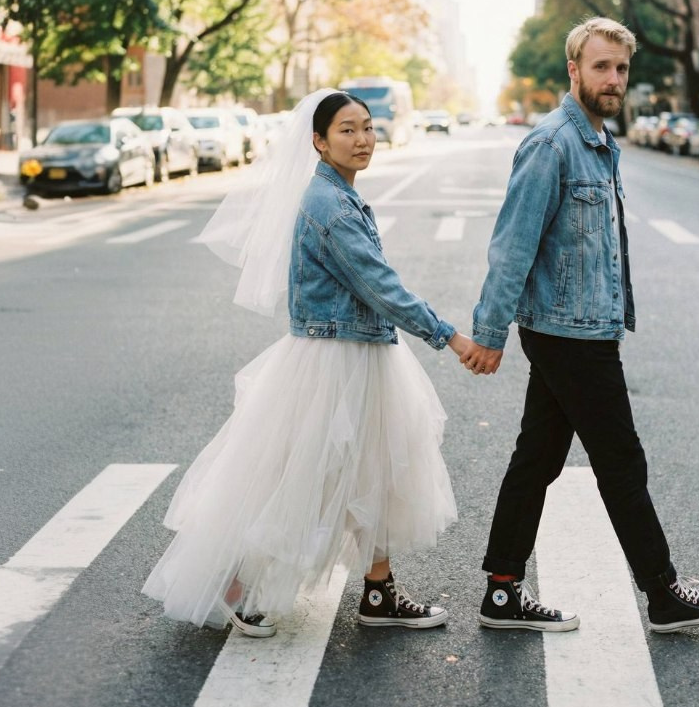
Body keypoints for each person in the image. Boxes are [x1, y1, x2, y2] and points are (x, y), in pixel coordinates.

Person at [143, 89, 473, 638]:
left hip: (357, 352)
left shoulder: (337, 194)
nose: (363, 138)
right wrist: (449, 337)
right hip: (332, 360)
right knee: (304, 478)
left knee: (373, 473)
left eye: (367, 127)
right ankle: (236, 584)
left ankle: (378, 590)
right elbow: (378, 285)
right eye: (347, 130)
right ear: (318, 142)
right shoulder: (328, 205)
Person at [461, 16, 699, 635]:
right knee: (621, 462)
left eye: (620, 68)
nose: (613, 79)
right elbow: (512, 246)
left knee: (536, 459)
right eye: (601, 67)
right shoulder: (552, 144)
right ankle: (665, 595)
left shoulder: (597, 140)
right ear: (574, 69)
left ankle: (502, 592)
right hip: (569, 333)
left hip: (582, 326)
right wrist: (488, 331)